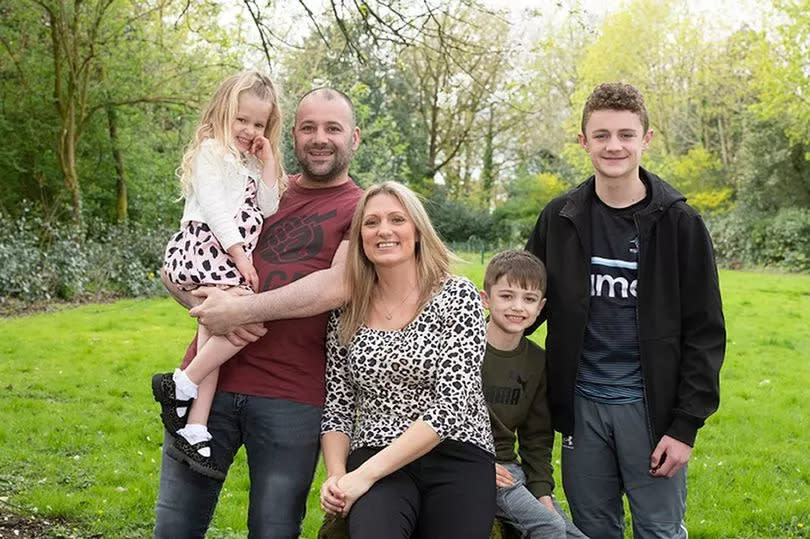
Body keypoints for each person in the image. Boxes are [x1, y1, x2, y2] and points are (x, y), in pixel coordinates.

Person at [153, 87, 364, 539]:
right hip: (206, 378)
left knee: (273, 530)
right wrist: (207, 308)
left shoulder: (362, 208)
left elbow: (337, 285)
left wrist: (240, 311)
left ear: (354, 138)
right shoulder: (253, 184)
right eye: (308, 127)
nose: (319, 138)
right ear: (291, 134)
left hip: (292, 396)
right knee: (174, 526)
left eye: (333, 128)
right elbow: (176, 266)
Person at [525, 82, 725, 538]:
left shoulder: (680, 223)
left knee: (659, 528)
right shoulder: (559, 218)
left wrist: (686, 426)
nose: (614, 146)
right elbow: (525, 301)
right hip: (581, 407)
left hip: (650, 410)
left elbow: (706, 332)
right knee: (593, 527)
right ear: (583, 142)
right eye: (601, 135)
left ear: (646, 139)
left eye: (626, 134)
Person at [319, 181, 496, 539]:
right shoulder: (345, 311)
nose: (384, 230)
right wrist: (338, 477)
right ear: (360, 237)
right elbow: (338, 404)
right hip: (374, 452)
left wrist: (362, 476)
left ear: (417, 231)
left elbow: (452, 406)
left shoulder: (457, 296)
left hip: (455, 452)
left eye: (397, 219)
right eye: (371, 222)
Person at [152, 70, 285, 480]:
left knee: (214, 331)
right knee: (249, 316)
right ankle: (182, 381)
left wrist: (268, 160)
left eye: (258, 124)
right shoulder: (212, 152)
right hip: (205, 248)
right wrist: (241, 258)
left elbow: (269, 207)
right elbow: (214, 210)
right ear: (223, 113)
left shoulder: (249, 161)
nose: (248, 130)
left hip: (225, 256)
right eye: (241, 119)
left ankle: (195, 424)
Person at [480, 250, 586, 539]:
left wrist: (542, 493)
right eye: (507, 296)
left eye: (528, 299)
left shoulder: (536, 361)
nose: (518, 307)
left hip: (511, 468)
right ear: (485, 299)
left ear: (541, 307)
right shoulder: (465, 347)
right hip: (474, 467)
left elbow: (536, 437)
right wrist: (476, 466)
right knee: (548, 529)